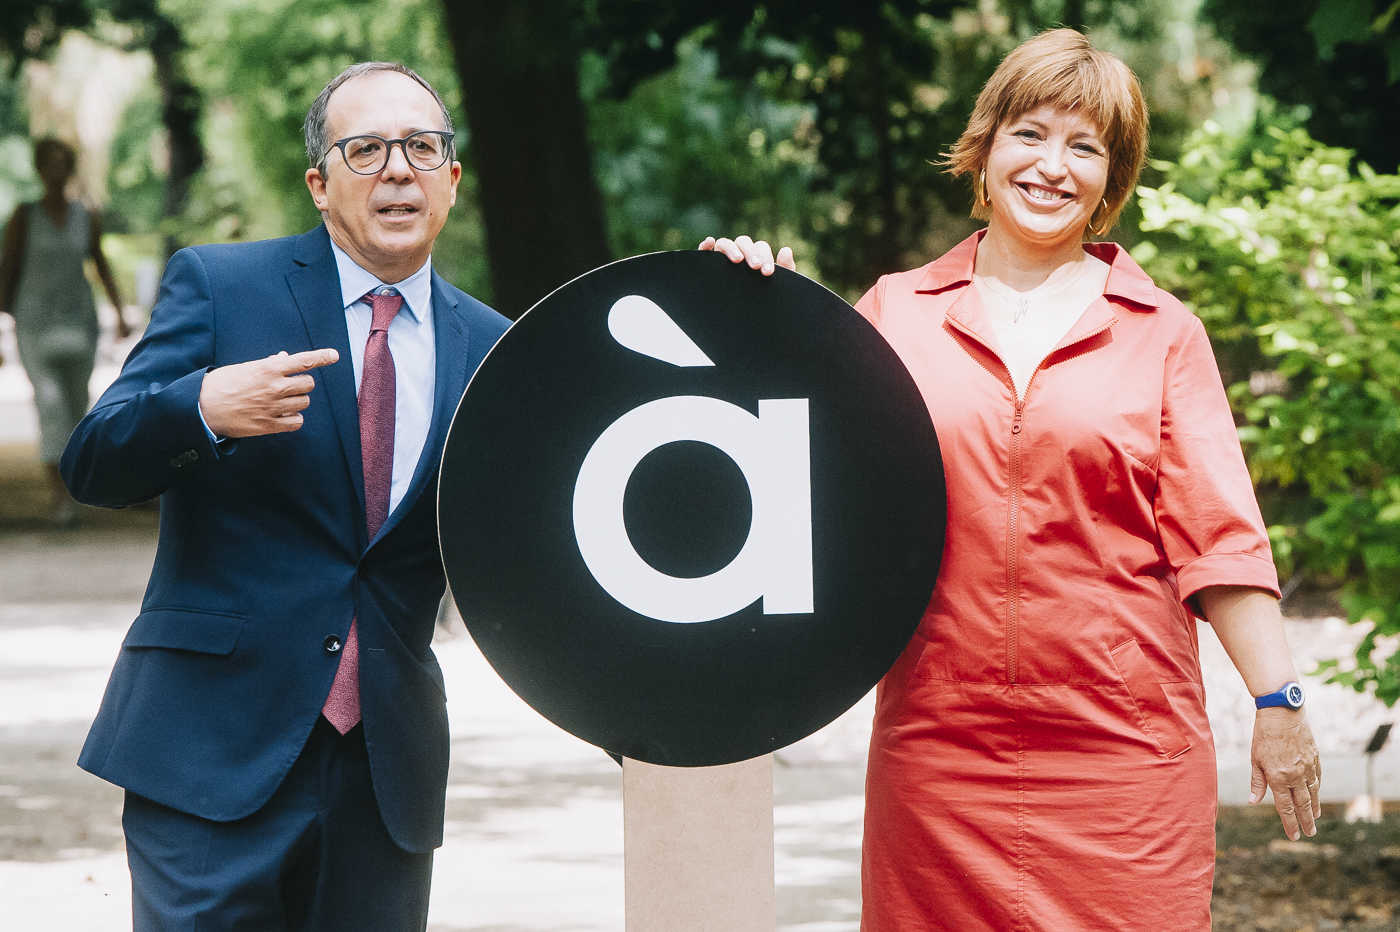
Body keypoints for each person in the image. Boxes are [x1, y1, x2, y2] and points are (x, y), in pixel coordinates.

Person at [704, 28, 1321, 931]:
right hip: (939, 753)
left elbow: (1220, 540)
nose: (1052, 166)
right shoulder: (894, 314)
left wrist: (1280, 701)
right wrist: (750, 303)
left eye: (1086, 148)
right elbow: (790, 472)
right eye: (1030, 134)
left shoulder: (1162, 332)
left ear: (1111, 182)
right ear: (986, 148)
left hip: (1124, 758)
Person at [60, 62, 509, 930]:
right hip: (208, 750)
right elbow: (92, 463)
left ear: (451, 179)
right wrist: (201, 408)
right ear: (320, 182)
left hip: (385, 772)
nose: (397, 169)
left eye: (422, 147)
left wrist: (741, 296)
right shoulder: (223, 288)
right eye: (366, 148)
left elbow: (554, 533)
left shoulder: (494, 349)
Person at [0, 137, 132, 526]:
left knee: (78, 407)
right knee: (50, 403)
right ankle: (60, 497)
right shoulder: (24, 216)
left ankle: (77, 488)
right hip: (35, 323)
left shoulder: (85, 214)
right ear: (39, 169)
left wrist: (121, 312)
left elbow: (100, 263)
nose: (56, 172)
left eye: (63, 164)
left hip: (79, 323)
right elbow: (7, 269)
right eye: (50, 164)